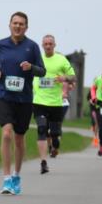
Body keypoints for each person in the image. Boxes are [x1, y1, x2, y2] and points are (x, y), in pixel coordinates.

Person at [0, 12, 46, 195]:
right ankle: (6, 179)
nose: (18, 26)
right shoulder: (0, 45)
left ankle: (16, 175)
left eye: (21, 24)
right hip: (3, 95)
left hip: (24, 98)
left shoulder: (32, 47)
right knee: (6, 133)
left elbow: (42, 71)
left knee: (19, 138)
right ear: (9, 25)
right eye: (15, 23)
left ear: (26, 27)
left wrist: (31, 68)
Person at [32, 34, 76, 175]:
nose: (48, 46)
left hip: (56, 103)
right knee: (41, 129)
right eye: (46, 44)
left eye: (51, 44)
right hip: (39, 101)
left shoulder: (61, 59)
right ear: (42, 45)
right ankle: (43, 162)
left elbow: (73, 77)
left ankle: (56, 144)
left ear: (54, 45)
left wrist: (65, 78)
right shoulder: (37, 59)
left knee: (55, 133)